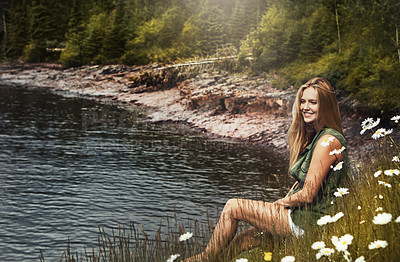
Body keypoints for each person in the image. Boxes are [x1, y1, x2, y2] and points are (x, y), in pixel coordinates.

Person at [185, 77, 349, 261]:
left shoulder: (327, 141)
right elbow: (305, 183)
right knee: (244, 240)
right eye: (303, 101)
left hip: (310, 223)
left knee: (233, 206)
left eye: (313, 102)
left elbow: (308, 194)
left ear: (326, 106)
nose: (305, 107)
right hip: (302, 216)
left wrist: (281, 203)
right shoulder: (318, 137)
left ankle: (205, 258)